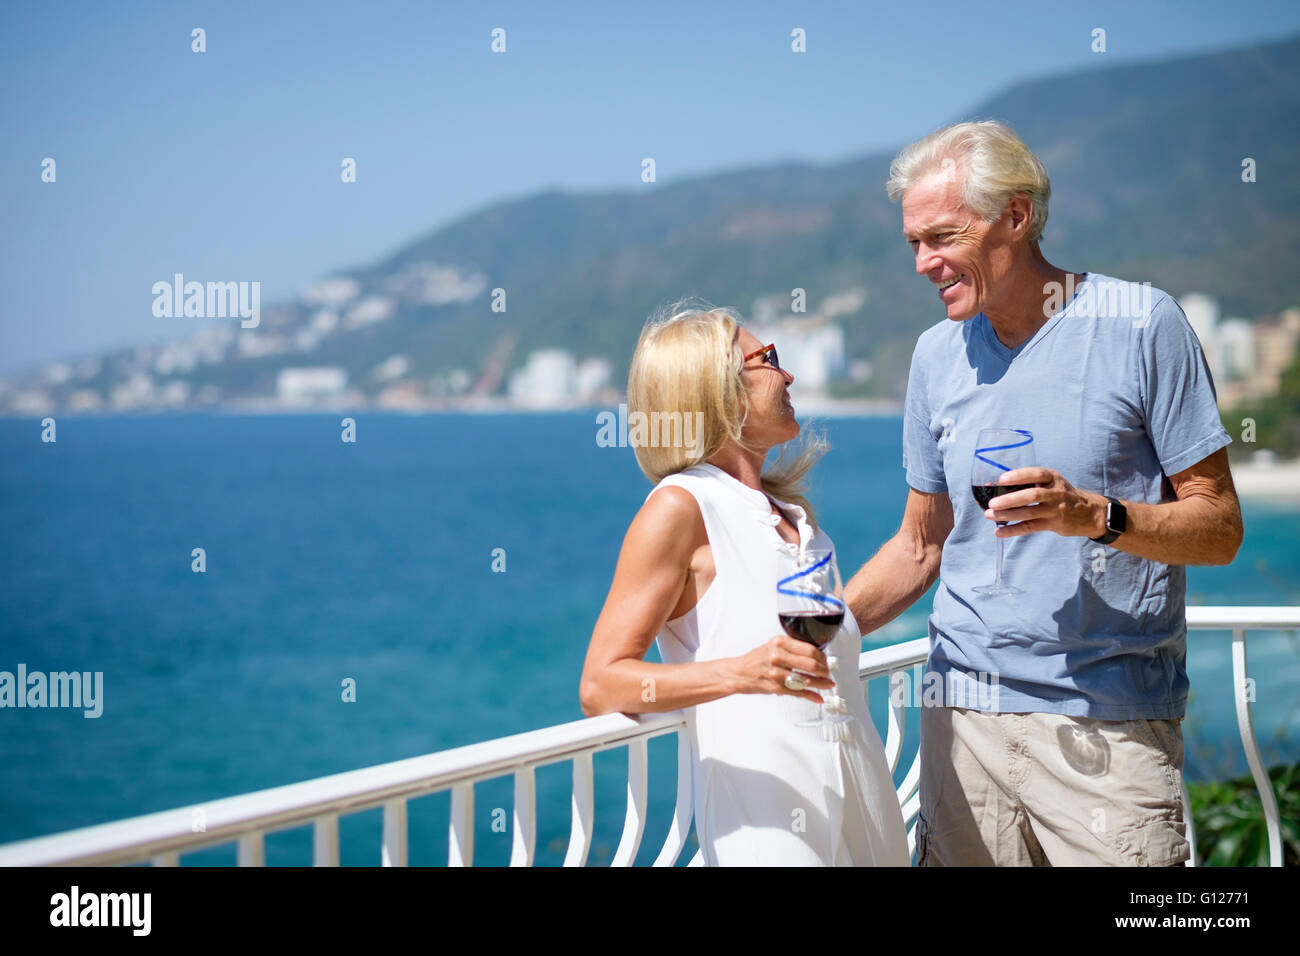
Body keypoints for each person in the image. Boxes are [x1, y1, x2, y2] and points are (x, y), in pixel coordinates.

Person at [845, 120, 1243, 866]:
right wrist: (810, 636)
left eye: (943, 237)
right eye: (914, 243)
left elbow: (1219, 527)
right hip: (960, 719)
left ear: (1017, 216)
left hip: (1109, 725)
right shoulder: (934, 356)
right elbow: (920, 545)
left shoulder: (1142, 325)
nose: (924, 263)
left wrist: (1093, 515)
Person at [579, 303, 909, 866]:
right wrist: (740, 672)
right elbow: (600, 684)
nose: (789, 375)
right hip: (770, 835)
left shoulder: (796, 522)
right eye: (769, 360)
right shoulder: (682, 508)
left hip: (867, 818)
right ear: (718, 388)